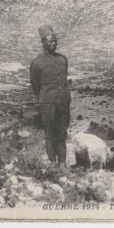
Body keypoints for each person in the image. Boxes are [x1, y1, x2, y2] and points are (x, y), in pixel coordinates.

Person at [30, 25, 71, 173]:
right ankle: (53, 165)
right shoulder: (37, 63)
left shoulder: (62, 59)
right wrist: (43, 101)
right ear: (43, 43)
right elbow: (35, 85)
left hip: (63, 103)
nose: (53, 44)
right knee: (50, 135)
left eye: (55, 41)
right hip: (47, 104)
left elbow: (64, 80)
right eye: (50, 42)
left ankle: (62, 164)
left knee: (62, 134)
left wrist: (66, 97)